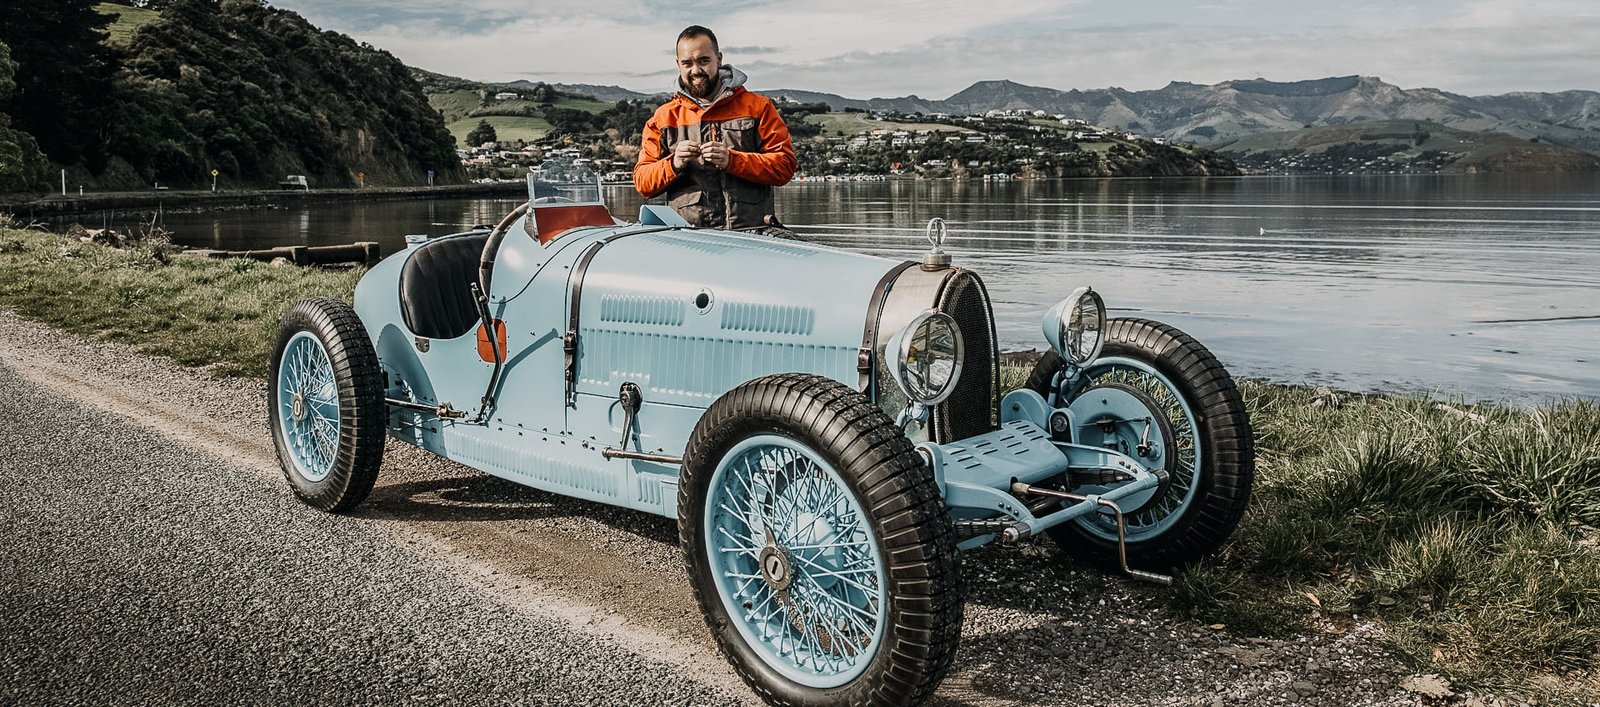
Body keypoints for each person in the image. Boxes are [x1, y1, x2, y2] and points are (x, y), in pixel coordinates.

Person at [633, 25, 796, 231]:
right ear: (678, 64)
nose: (695, 70)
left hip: (752, 237)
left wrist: (732, 160)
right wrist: (674, 163)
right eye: (687, 63)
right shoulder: (663, 118)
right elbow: (643, 182)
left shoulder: (759, 107)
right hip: (689, 240)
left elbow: (784, 166)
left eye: (703, 61)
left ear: (718, 59)